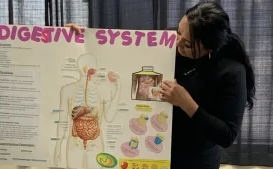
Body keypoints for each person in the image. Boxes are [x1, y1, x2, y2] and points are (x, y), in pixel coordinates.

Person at [65, 1, 256, 169]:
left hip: (196, 160)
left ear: (209, 48)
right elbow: (123, 49)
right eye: (178, 32)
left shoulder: (232, 71)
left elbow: (227, 135)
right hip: (153, 150)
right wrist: (85, 38)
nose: (177, 43)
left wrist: (187, 103)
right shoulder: (171, 43)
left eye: (187, 44)